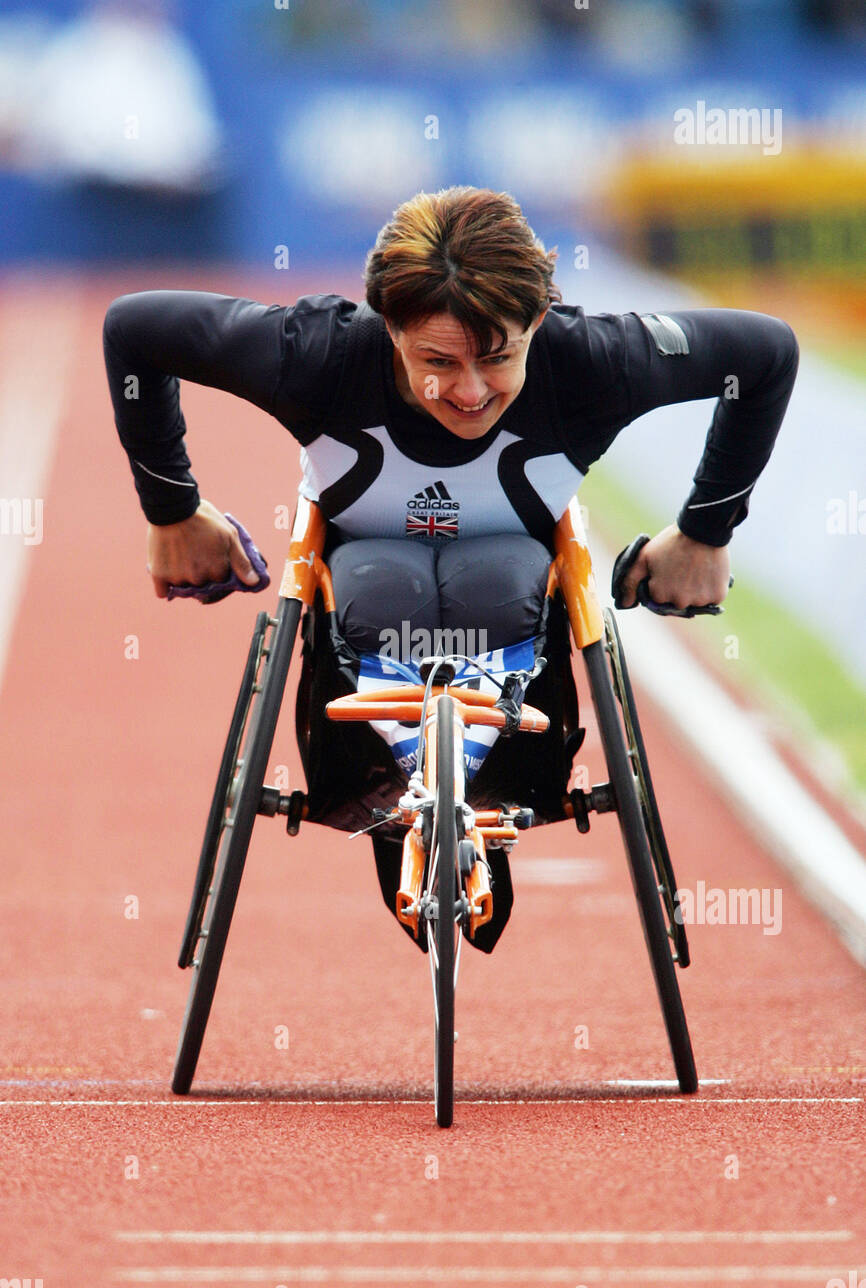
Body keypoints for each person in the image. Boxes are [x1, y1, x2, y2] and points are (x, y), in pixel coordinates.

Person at [103, 184, 799, 948]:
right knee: (379, 581)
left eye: (498, 357)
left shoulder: (596, 361)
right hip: (358, 621)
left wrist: (705, 531)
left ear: (537, 320)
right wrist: (172, 512)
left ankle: (478, 803)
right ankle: (401, 810)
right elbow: (134, 330)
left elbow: (765, 355)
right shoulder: (318, 354)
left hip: (520, 618)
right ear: (388, 325)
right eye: (436, 361)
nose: (469, 392)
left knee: (498, 579)